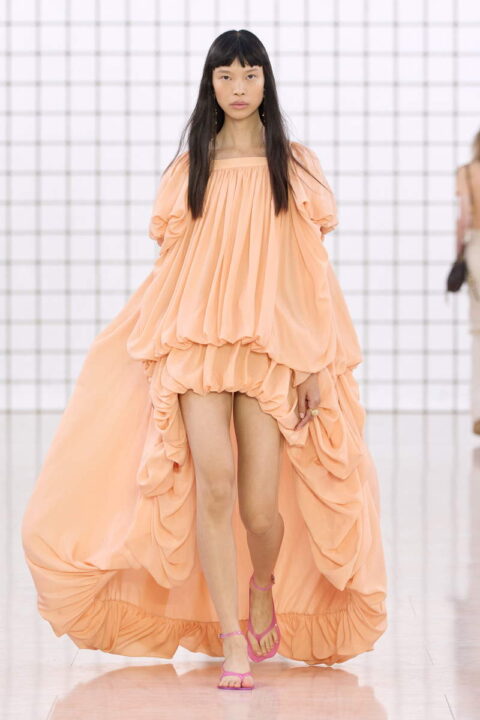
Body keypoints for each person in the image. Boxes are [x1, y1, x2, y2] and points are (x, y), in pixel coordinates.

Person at [21, 29, 388, 691]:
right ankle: (229, 637)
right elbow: (177, 265)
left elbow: (310, 273)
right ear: (210, 85)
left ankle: (261, 585)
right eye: (226, 77)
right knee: (213, 487)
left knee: (259, 509)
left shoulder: (294, 166)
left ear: (265, 82)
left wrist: (314, 363)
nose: (239, 88)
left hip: (268, 349)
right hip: (198, 344)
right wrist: (152, 336)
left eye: (250, 75)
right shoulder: (191, 166)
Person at [456, 129, 480, 435]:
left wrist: (458, 257)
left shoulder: (466, 172)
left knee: (478, 333)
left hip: (476, 246)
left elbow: (463, 218)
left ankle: (478, 412)